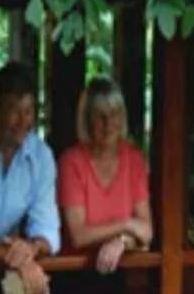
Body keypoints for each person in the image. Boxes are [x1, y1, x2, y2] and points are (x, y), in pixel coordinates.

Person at [0, 60, 60, 294]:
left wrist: (31, 248)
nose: (22, 121)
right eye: (14, 110)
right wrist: (19, 260)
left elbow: (48, 230)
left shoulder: (41, 156)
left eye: (28, 111)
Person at [58, 76, 152, 273]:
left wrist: (122, 241)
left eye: (114, 114)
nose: (108, 123)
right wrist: (126, 225)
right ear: (87, 120)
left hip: (121, 270)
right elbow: (79, 236)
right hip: (74, 272)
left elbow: (146, 231)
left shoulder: (134, 160)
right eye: (100, 116)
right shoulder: (71, 162)